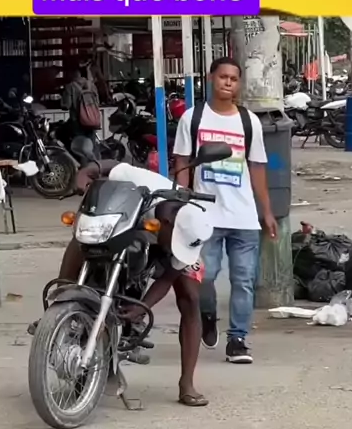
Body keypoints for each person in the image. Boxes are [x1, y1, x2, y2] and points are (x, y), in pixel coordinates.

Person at [55, 159, 214, 406]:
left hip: (158, 243)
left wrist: (143, 307)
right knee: (82, 235)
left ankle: (187, 384)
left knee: (190, 298)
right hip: (128, 233)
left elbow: (168, 277)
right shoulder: (144, 182)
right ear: (168, 223)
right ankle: (60, 298)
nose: (176, 250)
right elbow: (110, 166)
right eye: (175, 243)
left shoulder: (195, 227)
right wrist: (84, 174)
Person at [173, 56, 277, 365]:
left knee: (243, 281)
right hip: (205, 215)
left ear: (238, 83)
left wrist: (266, 211)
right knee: (204, 277)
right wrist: (181, 203)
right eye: (223, 77)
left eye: (234, 78)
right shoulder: (193, 118)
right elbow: (182, 162)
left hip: (243, 217)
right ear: (211, 78)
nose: (228, 82)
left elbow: (257, 168)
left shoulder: (248, 122)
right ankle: (207, 316)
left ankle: (237, 340)